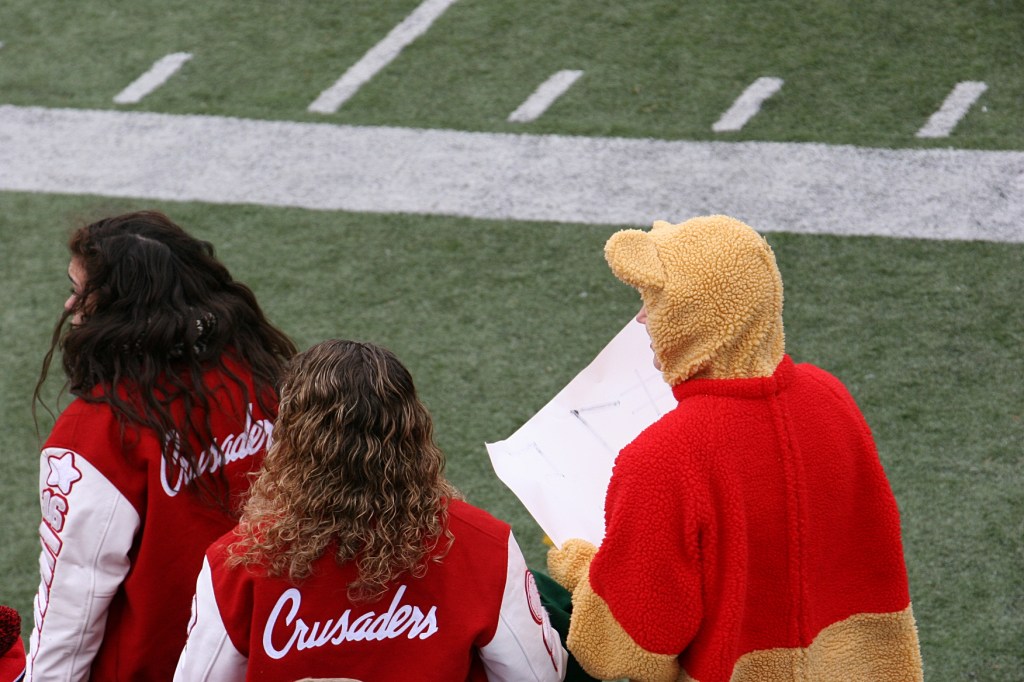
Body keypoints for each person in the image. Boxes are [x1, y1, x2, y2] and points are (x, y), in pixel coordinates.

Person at [546, 215, 924, 681]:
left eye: (655, 300)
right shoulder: (830, 396)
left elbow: (625, 651)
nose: (642, 317)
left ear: (697, 315)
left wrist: (585, 569)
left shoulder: (663, 458)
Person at [174, 339, 567, 681]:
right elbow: (537, 676)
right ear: (415, 431)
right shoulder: (483, 545)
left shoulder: (237, 561)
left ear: (291, 438)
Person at [28, 211, 297, 681]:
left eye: (81, 290)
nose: (71, 305)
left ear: (122, 306)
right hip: (274, 654)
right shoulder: (261, 377)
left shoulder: (94, 434)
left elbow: (70, 606)